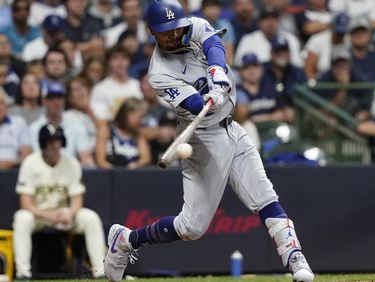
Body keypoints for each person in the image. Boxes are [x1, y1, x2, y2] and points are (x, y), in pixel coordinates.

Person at [103, 1, 315, 282]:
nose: (172, 35)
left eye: (175, 28)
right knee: (192, 228)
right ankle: (127, 239)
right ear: (151, 31)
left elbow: (214, 45)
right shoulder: (158, 73)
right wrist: (207, 99)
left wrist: (217, 71)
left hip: (233, 130)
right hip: (202, 138)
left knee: (265, 197)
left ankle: (295, 258)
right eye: (164, 31)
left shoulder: (195, 25)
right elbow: (192, 103)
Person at [12, 123, 106, 279]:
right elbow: (25, 203)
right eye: (50, 141)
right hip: (39, 215)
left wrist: (69, 213)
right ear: (43, 143)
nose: (54, 145)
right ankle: (23, 272)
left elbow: (77, 199)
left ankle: (100, 270)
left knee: (90, 217)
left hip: (63, 214)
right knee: (22, 218)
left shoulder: (71, 163)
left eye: (57, 141)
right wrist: (48, 215)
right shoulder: (30, 163)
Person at [94, 97, 151, 169]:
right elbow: (100, 161)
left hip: (131, 175)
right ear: (128, 115)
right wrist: (117, 171)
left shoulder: (138, 135)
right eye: (140, 117)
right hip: (110, 175)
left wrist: (135, 165)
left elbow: (146, 159)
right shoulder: (106, 131)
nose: (141, 121)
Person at [0, 91, 31, 169]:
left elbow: (27, 155)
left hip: (15, 172)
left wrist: (8, 164)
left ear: (7, 105)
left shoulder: (19, 122)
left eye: (2, 103)